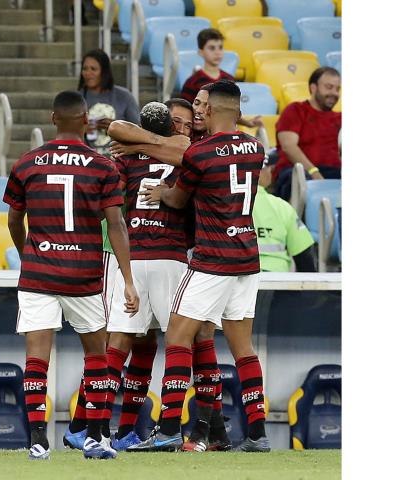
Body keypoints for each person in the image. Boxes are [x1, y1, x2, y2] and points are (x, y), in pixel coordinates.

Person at [131, 80, 270, 453]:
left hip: (212, 259)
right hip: (247, 257)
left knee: (177, 337)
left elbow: (177, 198)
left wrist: (161, 193)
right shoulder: (255, 148)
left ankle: (169, 429)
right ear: (238, 112)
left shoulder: (201, 153)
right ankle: (257, 433)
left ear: (209, 112)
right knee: (244, 349)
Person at [3, 90, 139, 461]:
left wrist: (26, 253)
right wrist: (127, 279)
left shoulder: (27, 163)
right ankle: (95, 436)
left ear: (52, 118)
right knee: (96, 355)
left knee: (36, 358)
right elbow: (117, 224)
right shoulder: (103, 167)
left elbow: (14, 218)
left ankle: (36, 439)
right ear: (85, 120)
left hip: (39, 274)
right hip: (84, 276)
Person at [109, 93, 233, 452]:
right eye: (173, 120)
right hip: (168, 254)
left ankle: (202, 427)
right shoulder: (158, 151)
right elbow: (119, 131)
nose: (180, 125)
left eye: (184, 120)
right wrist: (147, 146)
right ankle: (126, 429)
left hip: (197, 253)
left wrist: (140, 148)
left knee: (195, 339)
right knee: (161, 341)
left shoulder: (198, 150)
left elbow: (177, 155)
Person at [273, 66, 342, 201]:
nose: (334, 93)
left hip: (334, 173)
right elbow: (289, 147)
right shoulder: (295, 110)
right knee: (299, 179)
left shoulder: (341, 118)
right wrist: (314, 172)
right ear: (313, 88)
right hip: (298, 172)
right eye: (329, 87)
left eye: (337, 89)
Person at [179, 29, 263, 131]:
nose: (217, 52)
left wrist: (249, 123)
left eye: (220, 47)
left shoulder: (229, 79)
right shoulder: (192, 82)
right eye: (212, 48)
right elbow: (186, 112)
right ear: (201, 52)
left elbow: (231, 111)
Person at [254, 156, 317, 273]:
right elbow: (305, 257)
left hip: (234, 282)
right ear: (259, 172)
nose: (270, 174)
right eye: (269, 169)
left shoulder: (221, 204)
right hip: (277, 281)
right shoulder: (281, 207)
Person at [78, 49, 140, 156]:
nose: (88, 73)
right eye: (85, 69)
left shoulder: (124, 96)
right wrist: (81, 129)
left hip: (119, 160)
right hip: (85, 159)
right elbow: (65, 133)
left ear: (104, 71)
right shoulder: (76, 98)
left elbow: (139, 132)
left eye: (93, 69)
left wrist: (117, 127)